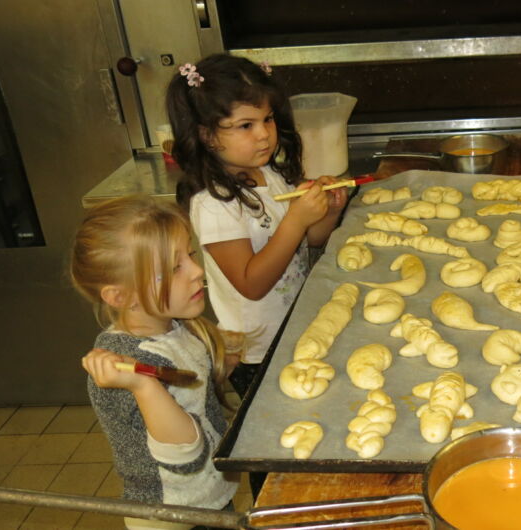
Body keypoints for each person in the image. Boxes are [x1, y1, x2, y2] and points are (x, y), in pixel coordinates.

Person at [166, 53, 348, 401]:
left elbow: (310, 241)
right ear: (206, 135)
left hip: (296, 326)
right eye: (245, 125)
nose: (264, 134)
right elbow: (252, 284)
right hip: (257, 349)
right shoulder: (213, 204)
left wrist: (325, 213)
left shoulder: (271, 175)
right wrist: (296, 219)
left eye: (268, 119)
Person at [72, 196, 239, 530]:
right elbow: (184, 455)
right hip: (172, 514)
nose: (197, 272)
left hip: (208, 495)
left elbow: (191, 390)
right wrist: (144, 386)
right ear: (121, 297)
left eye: (189, 255)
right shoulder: (130, 369)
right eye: (174, 268)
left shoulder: (173, 324)